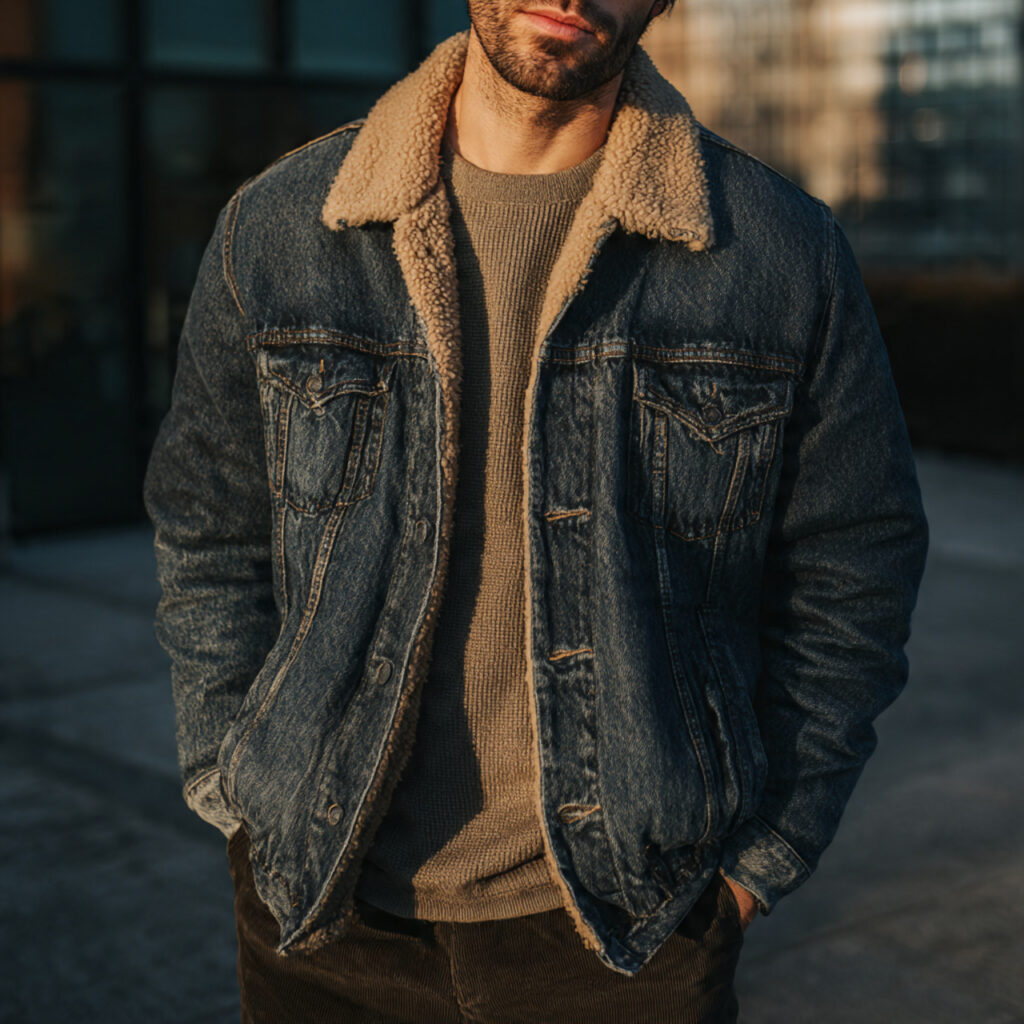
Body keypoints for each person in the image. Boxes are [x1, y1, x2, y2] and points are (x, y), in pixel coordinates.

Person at [144, 2, 928, 1020]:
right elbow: (209, 526)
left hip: (631, 925)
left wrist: (759, 856)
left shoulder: (776, 253)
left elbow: (853, 564)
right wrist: (232, 783)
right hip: (324, 914)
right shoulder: (285, 225)